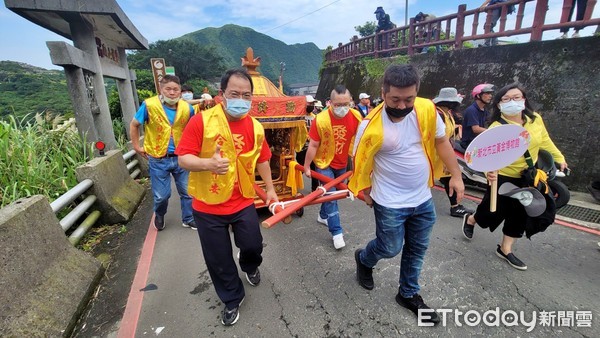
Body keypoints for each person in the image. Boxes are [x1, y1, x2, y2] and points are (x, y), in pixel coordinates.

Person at [349, 64, 464, 324]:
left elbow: (441, 142)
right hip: (389, 201)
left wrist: (456, 175)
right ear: (383, 92)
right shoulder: (369, 127)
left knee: (417, 248)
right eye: (395, 99)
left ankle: (408, 294)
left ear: (417, 94)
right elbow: (359, 161)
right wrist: (363, 191)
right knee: (389, 248)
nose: (401, 106)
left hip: (422, 197)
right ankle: (365, 259)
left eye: (408, 99)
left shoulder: (426, 110)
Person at [176, 68, 279, 326]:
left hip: (243, 198)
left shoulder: (255, 126)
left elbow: (263, 159)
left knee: (253, 244)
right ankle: (232, 298)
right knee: (219, 259)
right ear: (222, 94)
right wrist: (207, 164)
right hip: (207, 205)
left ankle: (249, 264)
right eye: (235, 94)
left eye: (246, 95)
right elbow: (183, 158)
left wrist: (270, 189)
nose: (240, 100)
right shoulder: (202, 121)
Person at [461, 83, 568, 271]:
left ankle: (505, 248)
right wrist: (489, 173)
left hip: (528, 175)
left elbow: (545, 140)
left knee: (520, 211)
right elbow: (486, 155)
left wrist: (560, 158)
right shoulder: (497, 127)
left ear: (524, 99)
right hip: (502, 175)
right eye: (506, 99)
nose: (512, 102)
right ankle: (472, 219)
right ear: (499, 104)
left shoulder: (535, 119)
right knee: (492, 210)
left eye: (516, 97)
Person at [129, 75, 196, 231]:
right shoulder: (149, 105)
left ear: (180, 90)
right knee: (162, 196)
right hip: (158, 158)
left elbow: (194, 129)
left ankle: (189, 218)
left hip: (181, 157)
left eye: (176, 89)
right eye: (168, 89)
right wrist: (136, 147)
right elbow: (134, 125)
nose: (172, 92)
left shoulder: (187, 108)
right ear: (161, 89)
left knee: (187, 191)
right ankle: (159, 214)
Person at [303, 85, 362, 250]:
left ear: (351, 101)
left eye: (346, 104)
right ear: (330, 102)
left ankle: (323, 216)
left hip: (342, 163)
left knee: (331, 194)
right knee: (332, 195)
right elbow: (313, 145)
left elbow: (361, 142)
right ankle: (337, 232)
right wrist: (307, 166)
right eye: (338, 105)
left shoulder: (356, 116)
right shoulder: (320, 119)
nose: (342, 108)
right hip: (324, 163)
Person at [433, 87, 473, 218]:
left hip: (443, 154)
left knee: (449, 178)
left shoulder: (446, 114)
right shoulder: (438, 114)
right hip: (437, 155)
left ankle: (455, 206)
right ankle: (455, 207)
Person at [460, 83, 494, 149]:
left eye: (490, 94)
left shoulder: (484, 110)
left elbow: (490, 120)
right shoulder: (472, 110)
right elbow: (476, 129)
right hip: (469, 144)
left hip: (478, 141)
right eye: (487, 93)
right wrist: (492, 131)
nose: (490, 96)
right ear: (478, 96)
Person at [296, 95, 319, 191]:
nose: (312, 105)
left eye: (313, 103)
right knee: (300, 167)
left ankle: (315, 188)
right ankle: (292, 185)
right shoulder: (298, 117)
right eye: (310, 103)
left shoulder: (315, 117)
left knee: (314, 168)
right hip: (301, 146)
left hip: (313, 147)